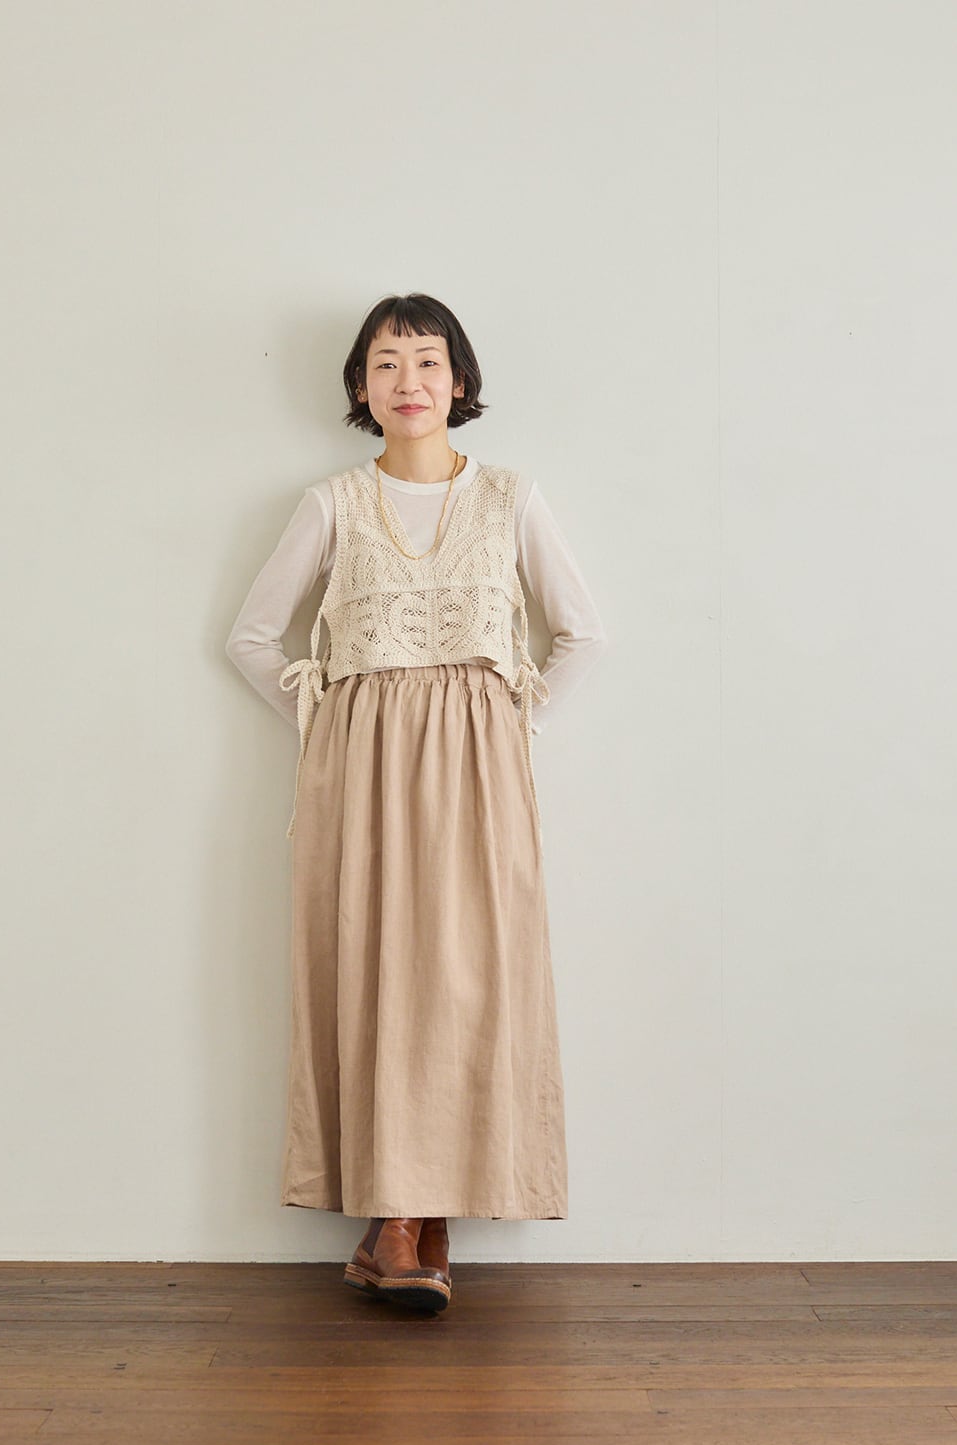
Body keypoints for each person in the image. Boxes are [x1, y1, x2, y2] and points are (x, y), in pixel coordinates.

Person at [225, 292, 608, 1314]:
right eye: (386, 364)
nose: (409, 382)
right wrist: (332, 720)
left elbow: (582, 634)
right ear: (360, 386)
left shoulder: (512, 498)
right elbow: (252, 638)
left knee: (474, 975)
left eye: (428, 362)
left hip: (482, 771)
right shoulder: (331, 505)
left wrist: (510, 720)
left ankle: (417, 1218)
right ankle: (403, 1220)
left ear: (460, 381)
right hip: (361, 771)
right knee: (378, 971)